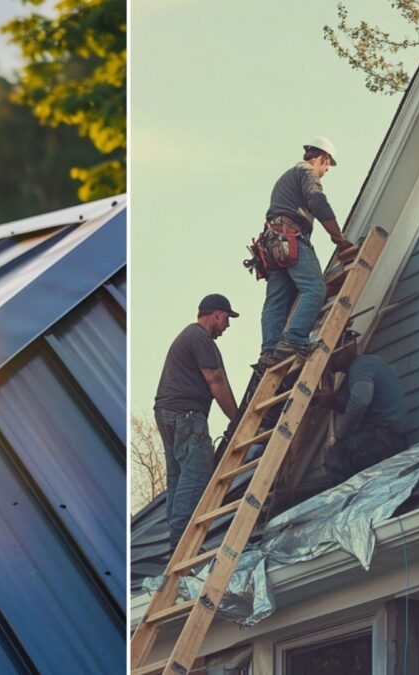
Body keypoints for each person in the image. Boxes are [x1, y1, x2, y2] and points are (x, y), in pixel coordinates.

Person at [154, 294, 240, 551]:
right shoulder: (200, 338)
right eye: (226, 319)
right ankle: (184, 546)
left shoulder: (188, 336)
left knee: (178, 480)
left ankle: (175, 545)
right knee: (196, 478)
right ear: (216, 314)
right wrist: (237, 419)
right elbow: (216, 381)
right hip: (187, 417)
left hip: (169, 415)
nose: (227, 326)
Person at [259, 137, 352, 367]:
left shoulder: (287, 177)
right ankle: (294, 340)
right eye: (327, 165)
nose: (326, 170)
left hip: (273, 243)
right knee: (315, 287)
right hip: (289, 237)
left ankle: (269, 351)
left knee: (277, 300)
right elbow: (318, 202)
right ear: (323, 157)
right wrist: (337, 237)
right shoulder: (307, 173)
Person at [316, 336, 408, 484]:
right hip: (385, 437)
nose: (329, 361)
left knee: (336, 455)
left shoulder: (363, 364)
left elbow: (360, 402)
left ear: (347, 348)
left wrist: (340, 435)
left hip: (383, 437)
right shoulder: (356, 372)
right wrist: (332, 402)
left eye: (333, 355)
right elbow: (355, 405)